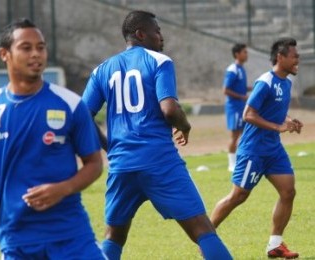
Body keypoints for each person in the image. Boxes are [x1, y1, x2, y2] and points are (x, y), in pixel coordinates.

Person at [82, 10, 232, 260]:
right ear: (141, 34)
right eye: (157, 31)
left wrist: (110, 147)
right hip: (159, 161)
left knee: (114, 236)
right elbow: (169, 109)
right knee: (202, 229)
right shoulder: (160, 61)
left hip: (122, 165)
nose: (161, 36)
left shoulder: (102, 70)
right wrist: (184, 125)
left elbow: (82, 115)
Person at [0, 18, 106, 259]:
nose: (36, 54)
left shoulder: (70, 104)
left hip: (71, 236)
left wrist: (62, 189)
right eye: (26, 48)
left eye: (41, 47)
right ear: (4, 54)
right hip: (17, 241)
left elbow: (94, 163)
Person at [210, 37, 302, 259]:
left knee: (288, 191)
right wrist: (277, 126)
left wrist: (289, 120)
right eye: (294, 56)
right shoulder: (265, 82)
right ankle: (205, 238)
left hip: (273, 150)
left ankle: (275, 245)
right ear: (280, 57)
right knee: (238, 196)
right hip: (253, 150)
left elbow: (276, 111)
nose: (298, 59)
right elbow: (248, 114)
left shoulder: (287, 83)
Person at [223, 43, 252, 172]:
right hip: (234, 108)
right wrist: (242, 97)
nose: (246, 54)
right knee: (234, 136)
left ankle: (242, 161)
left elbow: (239, 87)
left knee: (245, 135)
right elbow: (226, 90)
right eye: (244, 52)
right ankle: (231, 164)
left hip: (242, 108)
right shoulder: (233, 69)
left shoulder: (241, 69)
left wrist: (253, 88)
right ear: (237, 54)